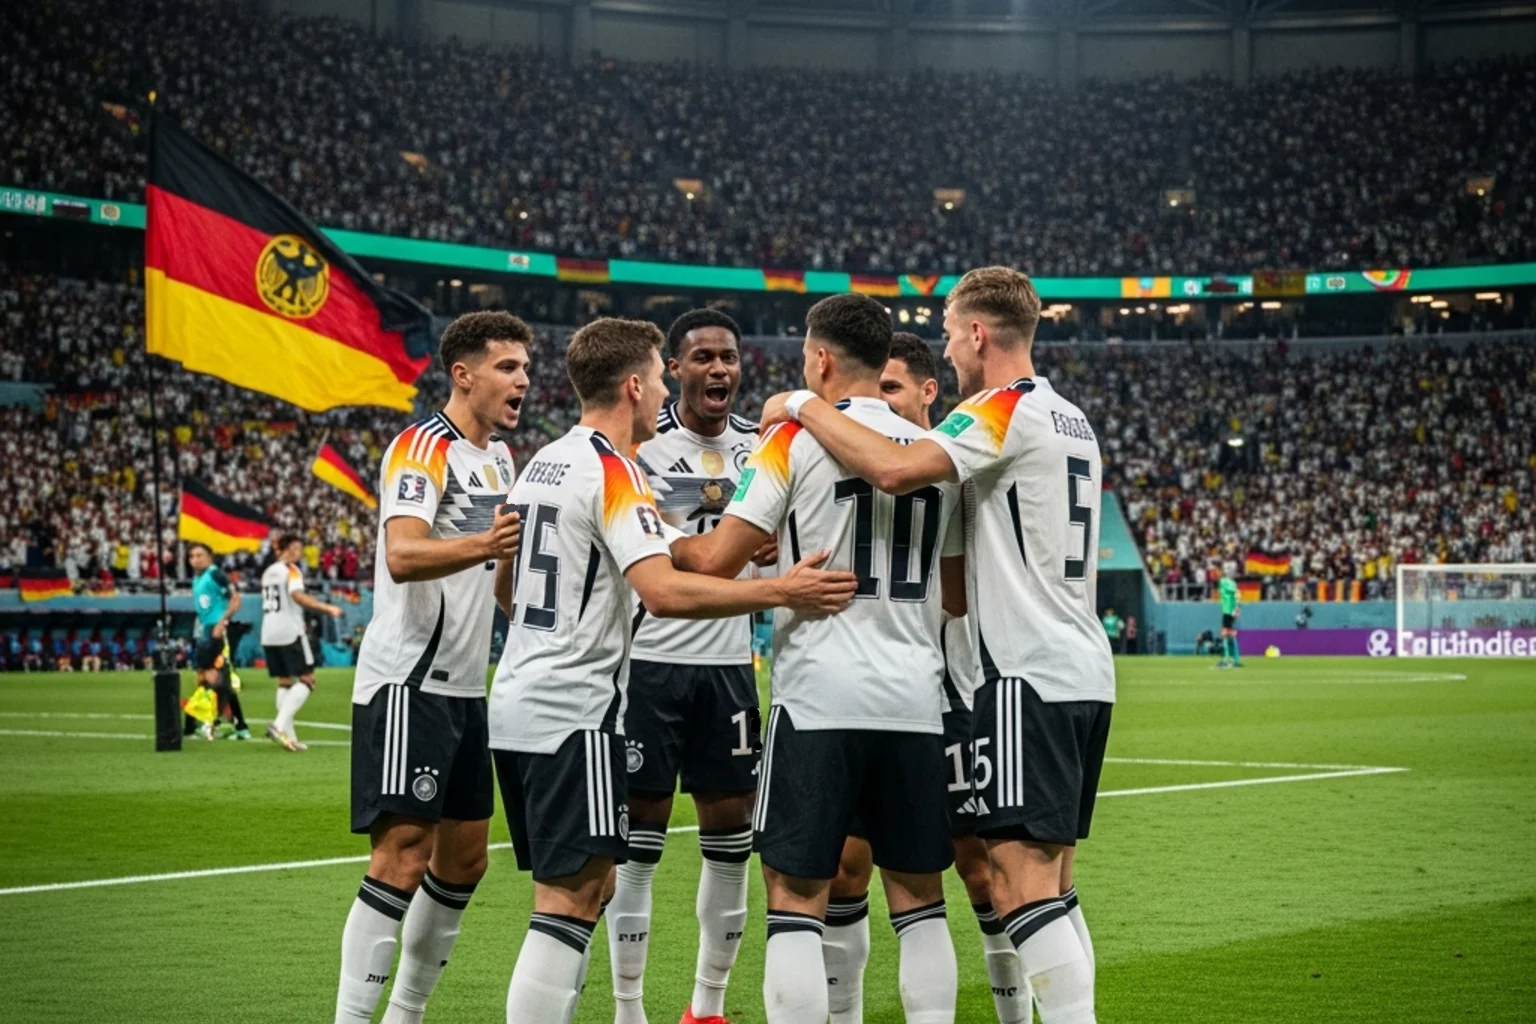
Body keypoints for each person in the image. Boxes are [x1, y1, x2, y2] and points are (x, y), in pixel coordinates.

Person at [761, 266, 1115, 1024]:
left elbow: (892, 468)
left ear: (980, 334)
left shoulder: (999, 410)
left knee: (1018, 890)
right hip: (1087, 671)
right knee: (1053, 886)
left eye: (952, 337)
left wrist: (798, 404)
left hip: (1025, 674)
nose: (949, 354)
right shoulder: (1072, 417)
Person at [489, 317, 857, 1024]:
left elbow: (509, 588)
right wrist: (780, 590)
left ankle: (701, 1006)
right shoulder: (616, 467)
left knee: (578, 893)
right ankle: (627, 1010)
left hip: (521, 697)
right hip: (580, 708)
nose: (664, 386)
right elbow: (662, 590)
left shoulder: (543, 461)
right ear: (637, 384)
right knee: (570, 902)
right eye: (662, 372)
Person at [673, 300, 965, 1024]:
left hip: (818, 700)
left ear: (822, 361)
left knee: (796, 895)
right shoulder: (943, 453)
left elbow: (713, 561)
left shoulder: (792, 443)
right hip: (915, 700)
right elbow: (955, 595)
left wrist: (648, 530)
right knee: (921, 900)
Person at [814, 331, 1031, 1024]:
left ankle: (1014, 1014)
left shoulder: (959, 466)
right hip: (869, 699)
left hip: (956, 696)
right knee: (847, 869)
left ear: (928, 392)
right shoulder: (838, 464)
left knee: (978, 872)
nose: (877, 404)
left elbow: (964, 593)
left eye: (892, 390)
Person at [335, 311, 532, 1024]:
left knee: (466, 860)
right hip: (407, 681)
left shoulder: (500, 460)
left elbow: (499, 576)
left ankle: (405, 1014)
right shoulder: (422, 447)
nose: (524, 380)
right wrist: (487, 542)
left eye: (525, 366)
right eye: (508, 367)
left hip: (463, 688)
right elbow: (403, 554)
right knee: (402, 858)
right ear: (464, 374)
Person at [609, 309, 768, 1024]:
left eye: (728, 359)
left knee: (731, 843)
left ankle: (707, 1007)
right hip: (650, 663)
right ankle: (628, 1007)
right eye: (702, 358)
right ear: (674, 368)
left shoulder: (764, 449)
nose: (718, 371)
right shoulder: (641, 451)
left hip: (731, 666)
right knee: (638, 845)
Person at [261, 533, 343, 752]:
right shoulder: (291, 570)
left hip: (269, 631)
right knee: (307, 679)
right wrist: (327, 608)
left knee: (284, 682)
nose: (299, 552)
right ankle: (278, 726)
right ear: (287, 549)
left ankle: (288, 736)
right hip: (289, 631)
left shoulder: (269, 571)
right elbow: (297, 596)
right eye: (296, 548)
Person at [186, 542, 246, 741]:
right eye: (192, 556)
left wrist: (223, 622)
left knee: (214, 680)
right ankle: (225, 725)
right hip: (204, 630)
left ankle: (219, 725)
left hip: (214, 630)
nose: (195, 559)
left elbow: (235, 598)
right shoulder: (198, 578)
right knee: (205, 678)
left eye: (200, 555)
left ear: (209, 557)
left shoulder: (215, 574)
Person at [1214, 567, 1242, 668]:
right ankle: (1236, 659)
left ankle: (1227, 659)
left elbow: (1236, 593)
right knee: (1231, 634)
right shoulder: (1231, 582)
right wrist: (1237, 607)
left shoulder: (1224, 582)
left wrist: (1236, 607)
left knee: (1225, 634)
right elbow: (1237, 593)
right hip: (1230, 611)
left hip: (1228, 611)